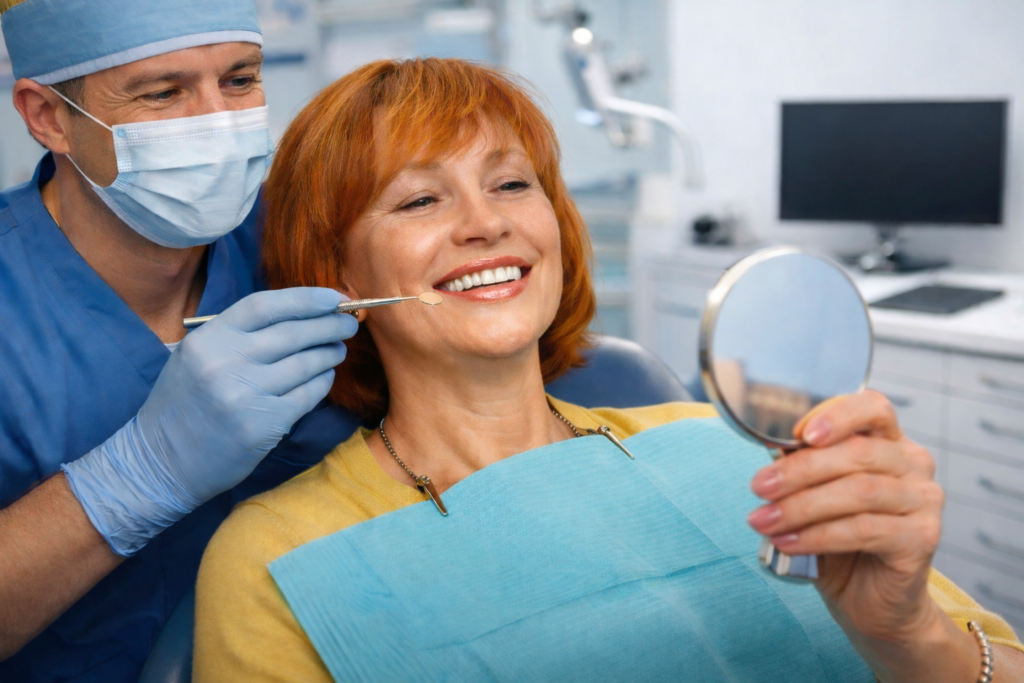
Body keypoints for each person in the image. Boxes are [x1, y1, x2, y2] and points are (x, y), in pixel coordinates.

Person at [194, 58, 1023, 682]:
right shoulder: (270, 557)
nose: (486, 224)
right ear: (336, 274)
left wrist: (906, 631)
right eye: (420, 200)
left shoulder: (737, 451)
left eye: (512, 184)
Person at [0, 1, 362, 680]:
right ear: (48, 117)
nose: (218, 124)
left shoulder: (307, 236)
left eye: (239, 80)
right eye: (163, 92)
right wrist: (137, 476)